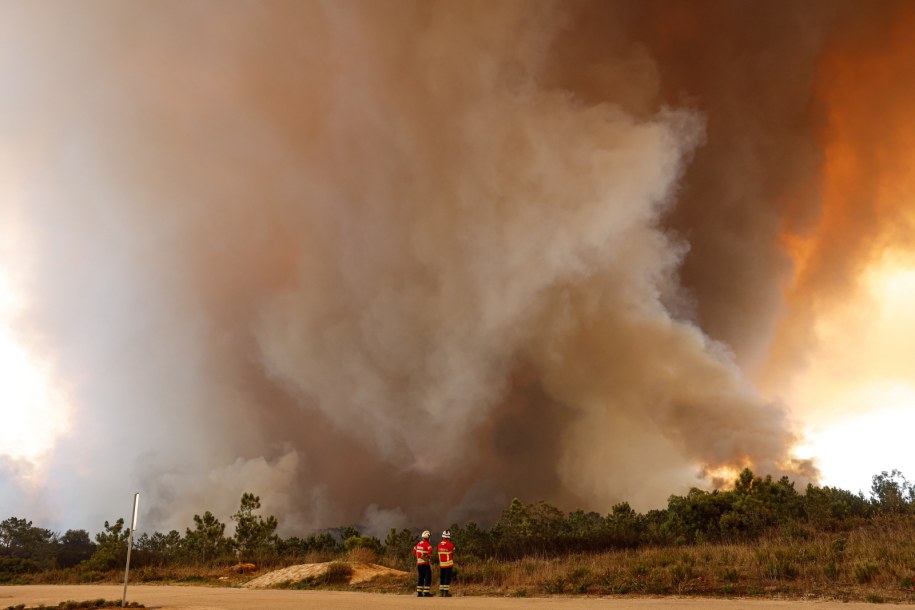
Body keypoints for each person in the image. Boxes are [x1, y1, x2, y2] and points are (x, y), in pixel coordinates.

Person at [413, 530, 434, 597]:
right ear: (427, 537)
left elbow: (414, 551)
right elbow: (430, 550)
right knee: (428, 577)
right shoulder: (427, 544)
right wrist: (428, 556)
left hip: (419, 564)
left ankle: (419, 592)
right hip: (425, 564)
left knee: (420, 577)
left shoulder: (418, 544)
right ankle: (426, 592)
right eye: (429, 537)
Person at [437, 529, 456, 597]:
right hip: (448, 564)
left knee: (442, 577)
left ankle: (441, 592)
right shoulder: (450, 544)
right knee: (447, 578)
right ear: (448, 537)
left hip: (441, 564)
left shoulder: (439, 545)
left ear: (442, 537)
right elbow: (453, 552)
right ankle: (446, 592)